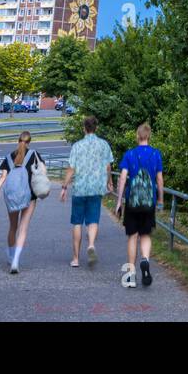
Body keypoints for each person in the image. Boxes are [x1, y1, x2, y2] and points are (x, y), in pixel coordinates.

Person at [113, 123, 164, 288]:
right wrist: (161, 199)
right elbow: (159, 179)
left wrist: (119, 200)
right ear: (148, 136)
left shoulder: (129, 154)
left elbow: (122, 178)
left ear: (137, 136)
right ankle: (145, 259)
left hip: (132, 202)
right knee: (146, 235)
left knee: (132, 236)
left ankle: (131, 275)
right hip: (149, 202)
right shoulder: (156, 154)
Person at [60, 116, 113, 267]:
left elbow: (71, 168)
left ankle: (76, 259)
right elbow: (108, 167)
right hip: (96, 188)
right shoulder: (104, 145)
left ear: (84, 128)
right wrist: (109, 182)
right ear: (95, 128)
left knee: (77, 222)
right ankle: (90, 245)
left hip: (80, 188)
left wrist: (64, 187)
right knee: (93, 220)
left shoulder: (77, 146)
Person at [0, 131, 44, 274]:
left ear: (18, 141)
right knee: (23, 228)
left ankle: (11, 255)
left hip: (12, 196)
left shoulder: (9, 156)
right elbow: (43, 172)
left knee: (13, 227)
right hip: (29, 196)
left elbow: (3, 177)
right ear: (29, 142)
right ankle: (16, 261)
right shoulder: (34, 155)